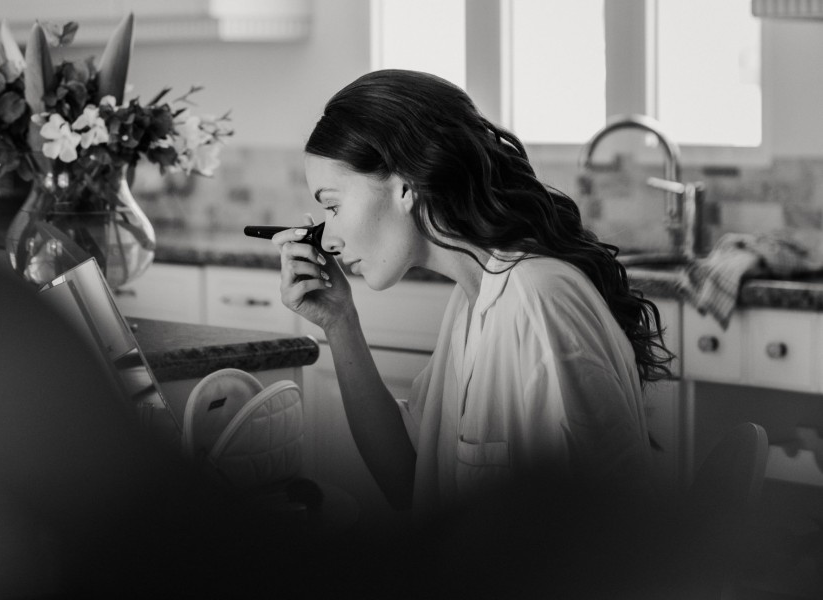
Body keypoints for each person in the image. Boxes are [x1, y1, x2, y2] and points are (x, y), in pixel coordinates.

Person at [272, 69, 675, 534]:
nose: (328, 238)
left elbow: (611, 533)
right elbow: (407, 479)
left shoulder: (538, 298)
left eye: (333, 205)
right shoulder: (472, 301)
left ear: (405, 186)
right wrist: (340, 322)